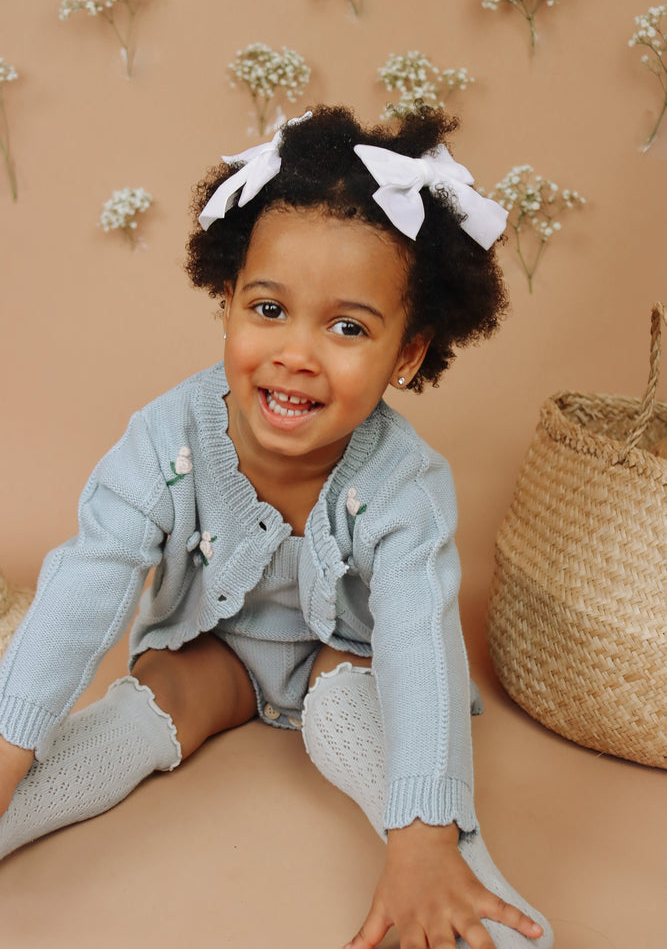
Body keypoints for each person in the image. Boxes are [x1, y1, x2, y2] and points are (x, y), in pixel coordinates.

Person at [0, 105, 553, 949]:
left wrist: (424, 835)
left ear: (407, 354)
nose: (296, 353)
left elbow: (418, 646)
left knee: (347, 720)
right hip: (213, 657)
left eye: (347, 328)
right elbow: (88, 579)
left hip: (347, 659)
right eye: (268, 309)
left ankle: (460, 886)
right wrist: (8, 744)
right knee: (146, 707)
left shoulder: (404, 484)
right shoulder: (165, 440)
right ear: (226, 302)